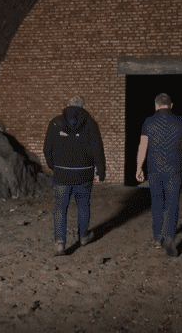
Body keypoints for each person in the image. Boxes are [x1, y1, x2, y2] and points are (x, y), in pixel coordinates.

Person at [44, 95, 106, 256]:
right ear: (82, 106)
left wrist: (53, 165)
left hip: (62, 173)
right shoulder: (91, 124)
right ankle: (84, 237)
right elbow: (98, 149)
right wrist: (101, 170)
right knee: (83, 206)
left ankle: (59, 243)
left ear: (68, 105)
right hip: (84, 174)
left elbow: (47, 149)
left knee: (59, 208)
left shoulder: (55, 123)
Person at [136, 93, 182, 257]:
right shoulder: (181, 121)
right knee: (172, 204)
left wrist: (139, 167)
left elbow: (142, 147)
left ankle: (157, 237)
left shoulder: (149, 121)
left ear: (156, 106)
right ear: (171, 105)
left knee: (157, 203)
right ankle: (169, 238)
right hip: (174, 169)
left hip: (155, 170)